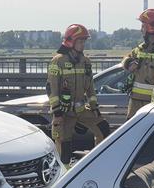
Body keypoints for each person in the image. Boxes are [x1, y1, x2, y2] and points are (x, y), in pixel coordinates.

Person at [47, 24, 110, 166]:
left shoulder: (85, 62)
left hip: (81, 110)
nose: (83, 45)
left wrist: (94, 106)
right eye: (80, 41)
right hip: (64, 112)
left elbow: (90, 87)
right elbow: (52, 88)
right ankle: (64, 174)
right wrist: (57, 111)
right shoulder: (58, 61)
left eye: (84, 42)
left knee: (103, 127)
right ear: (70, 41)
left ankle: (96, 162)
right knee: (64, 145)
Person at [121, 9, 154, 119]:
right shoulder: (141, 48)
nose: (141, 30)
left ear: (150, 27)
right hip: (135, 101)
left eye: (143, 26)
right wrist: (129, 63)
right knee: (131, 130)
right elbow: (125, 58)